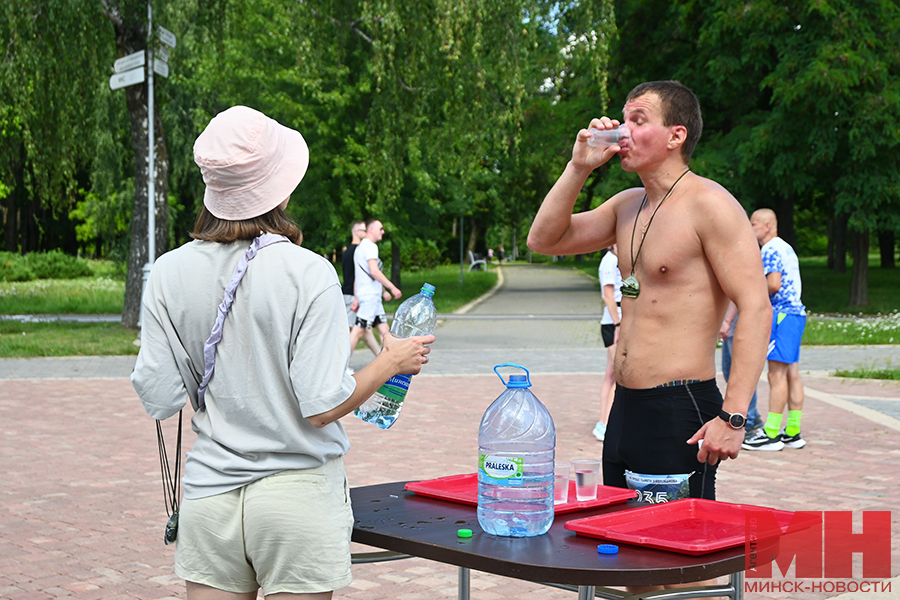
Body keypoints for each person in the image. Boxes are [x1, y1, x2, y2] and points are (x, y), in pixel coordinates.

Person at [131, 106, 433, 600]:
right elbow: (321, 405)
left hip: (210, 495)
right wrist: (390, 361)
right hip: (297, 497)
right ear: (281, 188)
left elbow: (159, 397)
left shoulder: (168, 271)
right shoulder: (309, 272)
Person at [527, 80, 771, 497]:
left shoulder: (709, 204)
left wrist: (733, 418)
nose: (623, 131)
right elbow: (544, 240)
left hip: (680, 406)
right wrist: (578, 167)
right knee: (622, 547)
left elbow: (756, 306)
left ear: (676, 136)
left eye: (638, 120)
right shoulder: (628, 205)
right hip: (625, 407)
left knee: (673, 549)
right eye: (623, 119)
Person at [743, 208, 808, 451]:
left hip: (781, 314)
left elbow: (773, 283)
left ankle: (771, 433)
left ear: (767, 226)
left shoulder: (769, 249)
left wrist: (750, 293)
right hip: (795, 315)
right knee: (791, 373)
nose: (751, 229)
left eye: (754, 224)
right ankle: (792, 430)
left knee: (775, 375)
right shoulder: (786, 247)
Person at [349, 219, 401, 356]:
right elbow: (374, 271)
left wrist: (356, 297)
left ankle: (393, 361)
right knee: (358, 331)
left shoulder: (359, 248)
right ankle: (339, 366)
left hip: (369, 296)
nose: (383, 231)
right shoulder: (371, 246)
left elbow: (358, 277)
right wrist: (392, 288)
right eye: (381, 228)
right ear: (371, 229)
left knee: (385, 331)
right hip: (370, 297)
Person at [719, 301, 764, 436]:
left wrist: (728, 320)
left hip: (741, 320)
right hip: (732, 321)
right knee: (728, 370)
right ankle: (753, 417)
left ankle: (747, 422)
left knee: (741, 375)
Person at [594, 244, 621, 442]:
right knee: (618, 375)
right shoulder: (610, 261)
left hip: (618, 320)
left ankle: (604, 422)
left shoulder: (619, 259)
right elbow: (608, 295)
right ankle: (607, 422)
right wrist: (618, 324)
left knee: (611, 374)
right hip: (614, 322)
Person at [341, 221, 380, 357]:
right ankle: (342, 366)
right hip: (353, 295)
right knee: (355, 331)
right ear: (357, 232)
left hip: (349, 293)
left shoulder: (347, 252)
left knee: (364, 330)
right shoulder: (358, 251)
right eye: (364, 230)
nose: (367, 233)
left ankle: (380, 357)